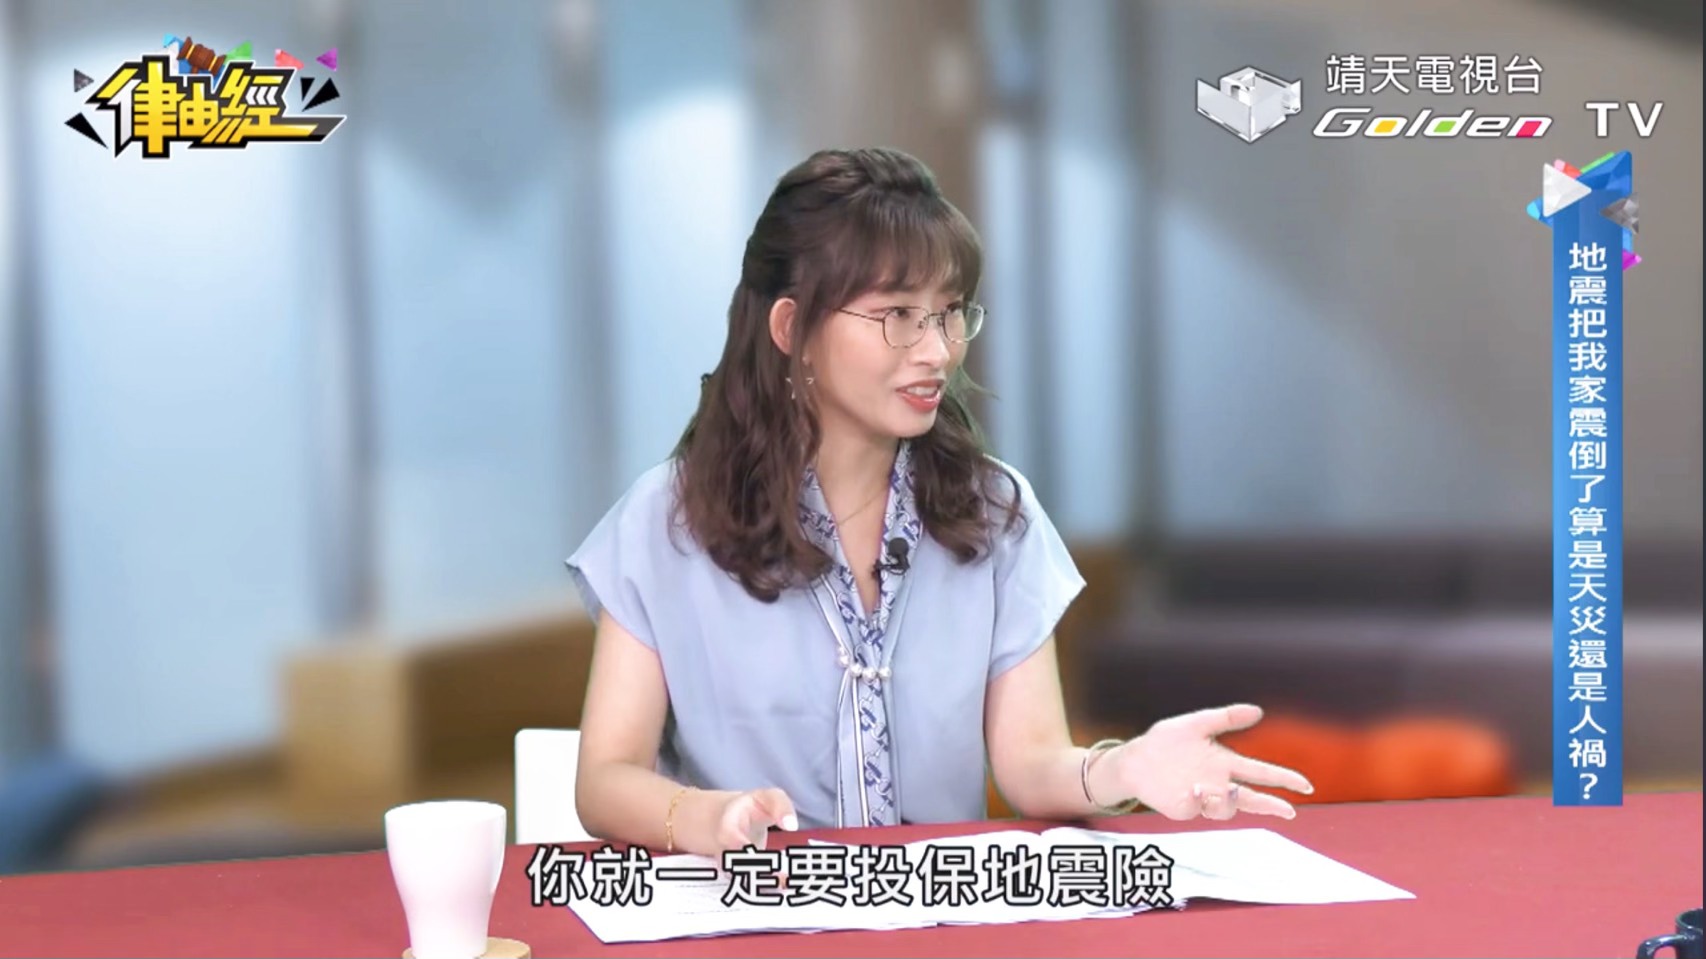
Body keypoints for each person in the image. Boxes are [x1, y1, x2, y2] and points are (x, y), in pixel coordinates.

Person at [566, 147, 1312, 858]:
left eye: (950, 311)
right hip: (753, 910)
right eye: (898, 315)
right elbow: (605, 780)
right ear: (792, 328)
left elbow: (1030, 766)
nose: (938, 351)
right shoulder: (668, 521)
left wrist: (1121, 770)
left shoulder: (993, 510)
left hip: (944, 913)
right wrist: (707, 817)